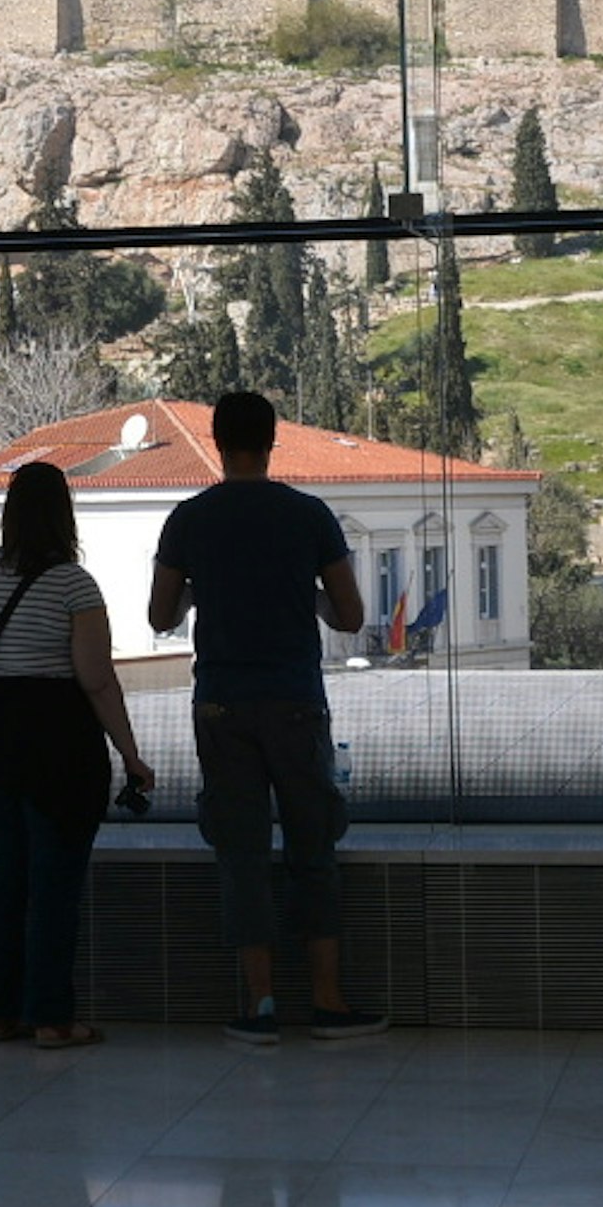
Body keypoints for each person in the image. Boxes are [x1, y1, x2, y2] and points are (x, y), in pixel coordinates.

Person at [149, 388, 388, 1044]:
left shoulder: (188, 520)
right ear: (271, 442)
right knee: (314, 847)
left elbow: (160, 617)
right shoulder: (307, 516)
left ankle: (259, 1005)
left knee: (241, 853)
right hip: (294, 702)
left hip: (221, 705)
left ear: (217, 444)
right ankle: (329, 1000)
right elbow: (350, 615)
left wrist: (208, 588)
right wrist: (299, 591)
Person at [0, 459, 152, 1047]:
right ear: (65, 516)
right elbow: (95, 679)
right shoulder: (73, 585)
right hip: (59, 748)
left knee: (5, 881)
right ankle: (53, 1020)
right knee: (54, 885)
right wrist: (132, 755)